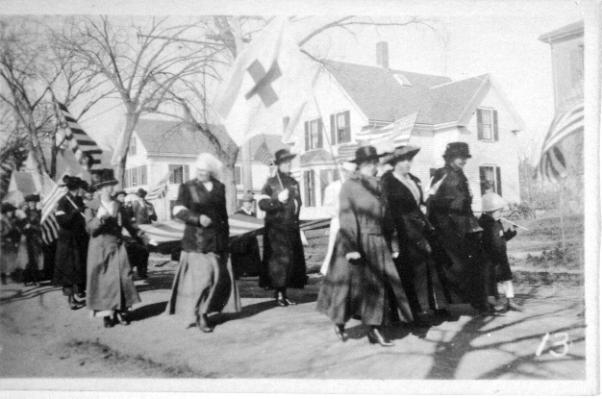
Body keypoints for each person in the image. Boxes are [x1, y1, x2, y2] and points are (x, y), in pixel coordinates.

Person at [317, 146, 414, 347]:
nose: (372, 166)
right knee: (348, 287)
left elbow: (386, 216)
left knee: (376, 287)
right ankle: (339, 322)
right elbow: (347, 217)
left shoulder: (379, 186)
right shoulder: (349, 186)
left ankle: (374, 329)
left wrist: (392, 241)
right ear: (359, 166)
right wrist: (351, 247)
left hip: (376, 242)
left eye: (374, 162)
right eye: (367, 163)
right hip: (354, 241)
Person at [166, 153, 239, 333]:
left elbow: (223, 216)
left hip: (217, 241)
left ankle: (206, 309)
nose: (200, 173)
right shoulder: (187, 187)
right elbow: (177, 210)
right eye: (198, 170)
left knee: (216, 278)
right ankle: (201, 315)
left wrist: (226, 240)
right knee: (204, 278)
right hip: (196, 242)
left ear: (211, 171)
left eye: (204, 171)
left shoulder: (220, 187)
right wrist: (197, 218)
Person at [381, 146, 449, 326]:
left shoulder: (415, 180)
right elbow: (387, 210)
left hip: (419, 229)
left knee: (425, 268)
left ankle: (429, 307)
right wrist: (393, 237)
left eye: (409, 160)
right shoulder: (387, 181)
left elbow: (420, 204)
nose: (407, 164)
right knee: (408, 271)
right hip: (401, 230)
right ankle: (412, 313)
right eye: (403, 161)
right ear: (394, 163)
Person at [427, 142, 493, 314]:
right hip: (447, 229)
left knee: (478, 264)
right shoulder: (441, 175)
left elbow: (466, 204)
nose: (463, 160)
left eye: (465, 157)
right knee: (450, 267)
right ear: (450, 158)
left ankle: (480, 302)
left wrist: (472, 223)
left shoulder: (461, 175)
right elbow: (431, 202)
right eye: (459, 157)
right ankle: (442, 306)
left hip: (465, 227)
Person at [86, 169, 145, 328]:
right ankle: (107, 315)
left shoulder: (118, 205)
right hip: (100, 249)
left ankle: (121, 311)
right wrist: (98, 218)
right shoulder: (92, 206)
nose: (112, 189)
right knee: (105, 283)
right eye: (108, 186)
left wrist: (144, 237)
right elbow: (90, 229)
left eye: (112, 185)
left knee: (124, 278)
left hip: (117, 247)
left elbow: (130, 225)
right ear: (101, 188)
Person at [258, 149, 307, 306]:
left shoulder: (294, 183)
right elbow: (262, 204)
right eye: (285, 162)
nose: (288, 164)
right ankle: (278, 293)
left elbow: (297, 204)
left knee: (291, 261)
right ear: (278, 164)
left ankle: (284, 293)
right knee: (280, 262)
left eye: (289, 162)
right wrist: (277, 200)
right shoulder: (270, 183)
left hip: (291, 227)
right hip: (276, 230)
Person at [479, 190, 520, 312]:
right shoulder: (484, 224)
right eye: (499, 211)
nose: (501, 213)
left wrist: (511, 232)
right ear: (489, 210)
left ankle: (510, 301)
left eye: (501, 210)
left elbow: (501, 238)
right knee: (491, 281)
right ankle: (490, 305)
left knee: (507, 278)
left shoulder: (497, 222)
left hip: (501, 256)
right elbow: (486, 242)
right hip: (491, 258)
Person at [53, 176, 89, 310]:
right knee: (69, 270)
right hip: (67, 241)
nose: (82, 190)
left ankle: (77, 293)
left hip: (79, 239)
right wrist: (74, 213)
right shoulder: (63, 202)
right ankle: (71, 299)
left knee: (78, 268)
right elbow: (62, 221)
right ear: (77, 188)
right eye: (81, 188)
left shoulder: (79, 200)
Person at [319, 161, 356, 276]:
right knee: (335, 245)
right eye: (347, 172)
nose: (349, 174)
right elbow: (328, 207)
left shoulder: (356, 186)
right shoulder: (333, 187)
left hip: (353, 221)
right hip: (338, 221)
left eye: (352, 172)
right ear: (343, 172)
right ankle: (328, 270)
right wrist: (340, 210)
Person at [230, 191, 262, 279]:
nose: (248, 204)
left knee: (252, 254)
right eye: (246, 202)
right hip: (241, 239)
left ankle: (252, 271)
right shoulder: (238, 213)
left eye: (250, 202)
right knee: (242, 254)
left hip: (251, 238)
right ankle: (242, 271)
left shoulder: (253, 214)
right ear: (243, 203)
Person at [20, 194, 44, 286]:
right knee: (27, 259)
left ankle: (35, 279)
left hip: (36, 238)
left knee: (35, 259)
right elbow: (20, 225)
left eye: (34, 202)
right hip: (27, 238)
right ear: (28, 203)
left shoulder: (39, 212)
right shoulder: (24, 213)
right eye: (30, 202)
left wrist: (32, 226)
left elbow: (40, 225)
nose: (32, 204)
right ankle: (26, 279)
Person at [1, 203, 20, 285]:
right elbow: (1, 232)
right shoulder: (2, 221)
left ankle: (9, 277)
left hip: (11, 241)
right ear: (5, 212)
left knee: (11, 259)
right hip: (5, 242)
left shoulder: (12, 220)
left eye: (11, 211)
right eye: (9, 211)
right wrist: (8, 231)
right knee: (5, 260)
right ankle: (5, 278)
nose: (11, 213)